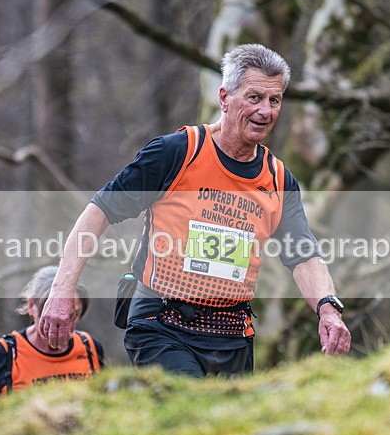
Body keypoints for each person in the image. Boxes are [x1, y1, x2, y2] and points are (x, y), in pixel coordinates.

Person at [39, 43, 350, 377]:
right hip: (162, 326)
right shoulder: (177, 153)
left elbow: (304, 255)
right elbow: (100, 210)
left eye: (274, 100)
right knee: (185, 404)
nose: (265, 111)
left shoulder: (276, 179)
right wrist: (62, 288)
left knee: (226, 428)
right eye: (254, 97)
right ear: (224, 98)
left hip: (233, 337)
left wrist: (328, 309)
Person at [0, 265, 103, 405]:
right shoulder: (3, 354)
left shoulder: (89, 346)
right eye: (52, 315)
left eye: (74, 315)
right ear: (31, 306)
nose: (63, 323)